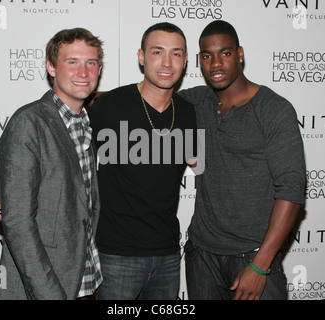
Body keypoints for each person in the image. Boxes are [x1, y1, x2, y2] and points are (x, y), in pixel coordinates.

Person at [179, 20, 306, 300]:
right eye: (207, 56)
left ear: (240, 54)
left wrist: (260, 266)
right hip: (202, 257)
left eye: (225, 53)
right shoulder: (197, 101)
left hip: (253, 257)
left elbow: (293, 190)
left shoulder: (273, 109)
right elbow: (149, 101)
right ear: (199, 60)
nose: (215, 64)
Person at [89, 22, 197, 300]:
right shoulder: (108, 106)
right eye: (157, 52)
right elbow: (69, 159)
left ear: (185, 61)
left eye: (176, 54)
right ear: (141, 56)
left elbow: (206, 166)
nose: (167, 62)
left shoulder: (188, 114)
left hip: (169, 256)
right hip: (116, 256)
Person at [0, 27, 103, 300]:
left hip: (87, 281)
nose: (83, 72)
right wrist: (49, 294)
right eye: (72, 62)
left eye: (91, 63)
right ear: (51, 67)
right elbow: (18, 223)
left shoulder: (86, 123)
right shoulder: (29, 123)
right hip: (47, 287)